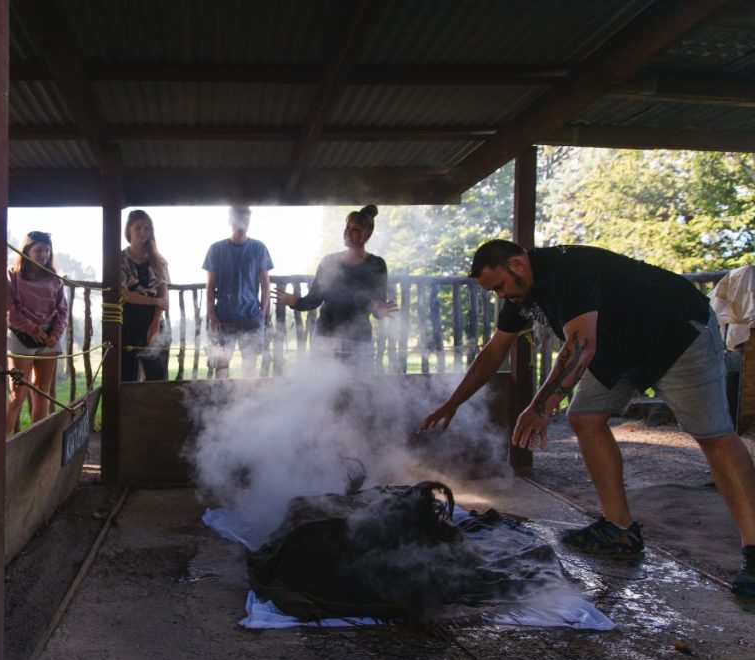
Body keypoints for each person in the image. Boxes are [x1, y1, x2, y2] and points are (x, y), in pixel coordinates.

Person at [420, 239, 755, 598]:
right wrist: (453, 402)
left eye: (500, 286)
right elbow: (492, 353)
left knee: (713, 435)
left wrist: (541, 406)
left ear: (517, 265)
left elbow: (580, 345)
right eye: (493, 292)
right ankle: (620, 530)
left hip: (675, 332)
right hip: (619, 347)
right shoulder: (520, 297)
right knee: (584, 418)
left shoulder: (569, 269)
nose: (502, 296)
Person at [271, 205, 394, 368]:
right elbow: (314, 299)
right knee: (324, 390)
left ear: (367, 234)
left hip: (359, 340)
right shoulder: (329, 261)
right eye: (347, 227)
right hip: (326, 338)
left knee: (359, 390)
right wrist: (294, 301)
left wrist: (381, 311)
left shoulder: (376, 265)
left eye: (355, 229)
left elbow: (377, 308)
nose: (348, 233)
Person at [5, 230, 68, 433]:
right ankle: (4, 444)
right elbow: (9, 308)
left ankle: (36, 440)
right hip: (21, 336)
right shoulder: (13, 276)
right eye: (39, 250)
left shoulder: (55, 280)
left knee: (42, 391)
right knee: (18, 393)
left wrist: (54, 335)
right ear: (27, 251)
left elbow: (62, 310)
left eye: (47, 251)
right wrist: (31, 329)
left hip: (48, 338)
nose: (43, 255)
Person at [203, 206, 273, 378]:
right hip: (224, 318)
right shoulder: (216, 249)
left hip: (251, 317)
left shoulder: (259, 248)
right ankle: (221, 403)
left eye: (246, 219)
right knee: (221, 368)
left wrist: (262, 314)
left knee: (249, 371)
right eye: (238, 219)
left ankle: (246, 404)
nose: (243, 223)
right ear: (230, 221)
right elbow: (210, 286)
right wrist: (213, 316)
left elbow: (265, 285)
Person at [120, 210, 169, 382]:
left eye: (147, 228)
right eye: (138, 228)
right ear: (128, 230)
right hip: (127, 323)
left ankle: (157, 410)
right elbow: (124, 295)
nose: (143, 232)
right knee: (127, 378)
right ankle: (127, 410)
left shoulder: (159, 261)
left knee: (157, 378)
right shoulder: (120, 259)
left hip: (153, 322)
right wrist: (154, 300)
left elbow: (164, 294)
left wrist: (155, 322)